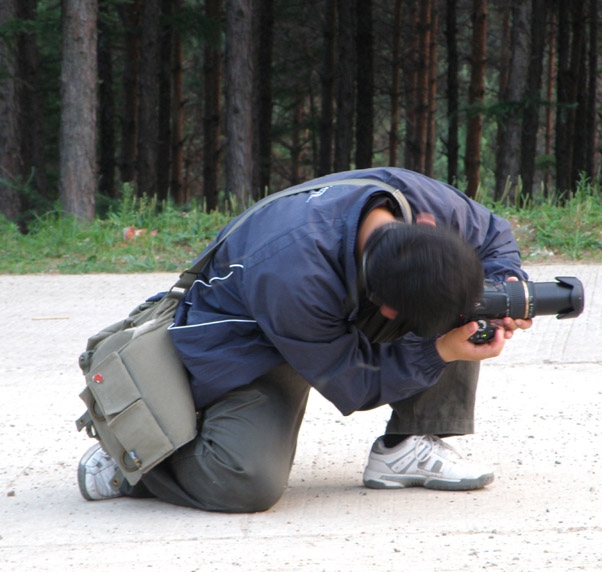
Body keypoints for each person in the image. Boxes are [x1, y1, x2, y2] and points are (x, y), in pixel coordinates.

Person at [77, 167, 531, 513]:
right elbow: (354, 380)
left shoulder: (424, 204)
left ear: (429, 229)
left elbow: (493, 235)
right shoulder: (295, 277)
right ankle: (136, 463)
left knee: (468, 303)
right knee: (245, 480)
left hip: (329, 314)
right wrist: (441, 350)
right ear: (386, 309)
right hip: (249, 344)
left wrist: (505, 287)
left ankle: (407, 446)